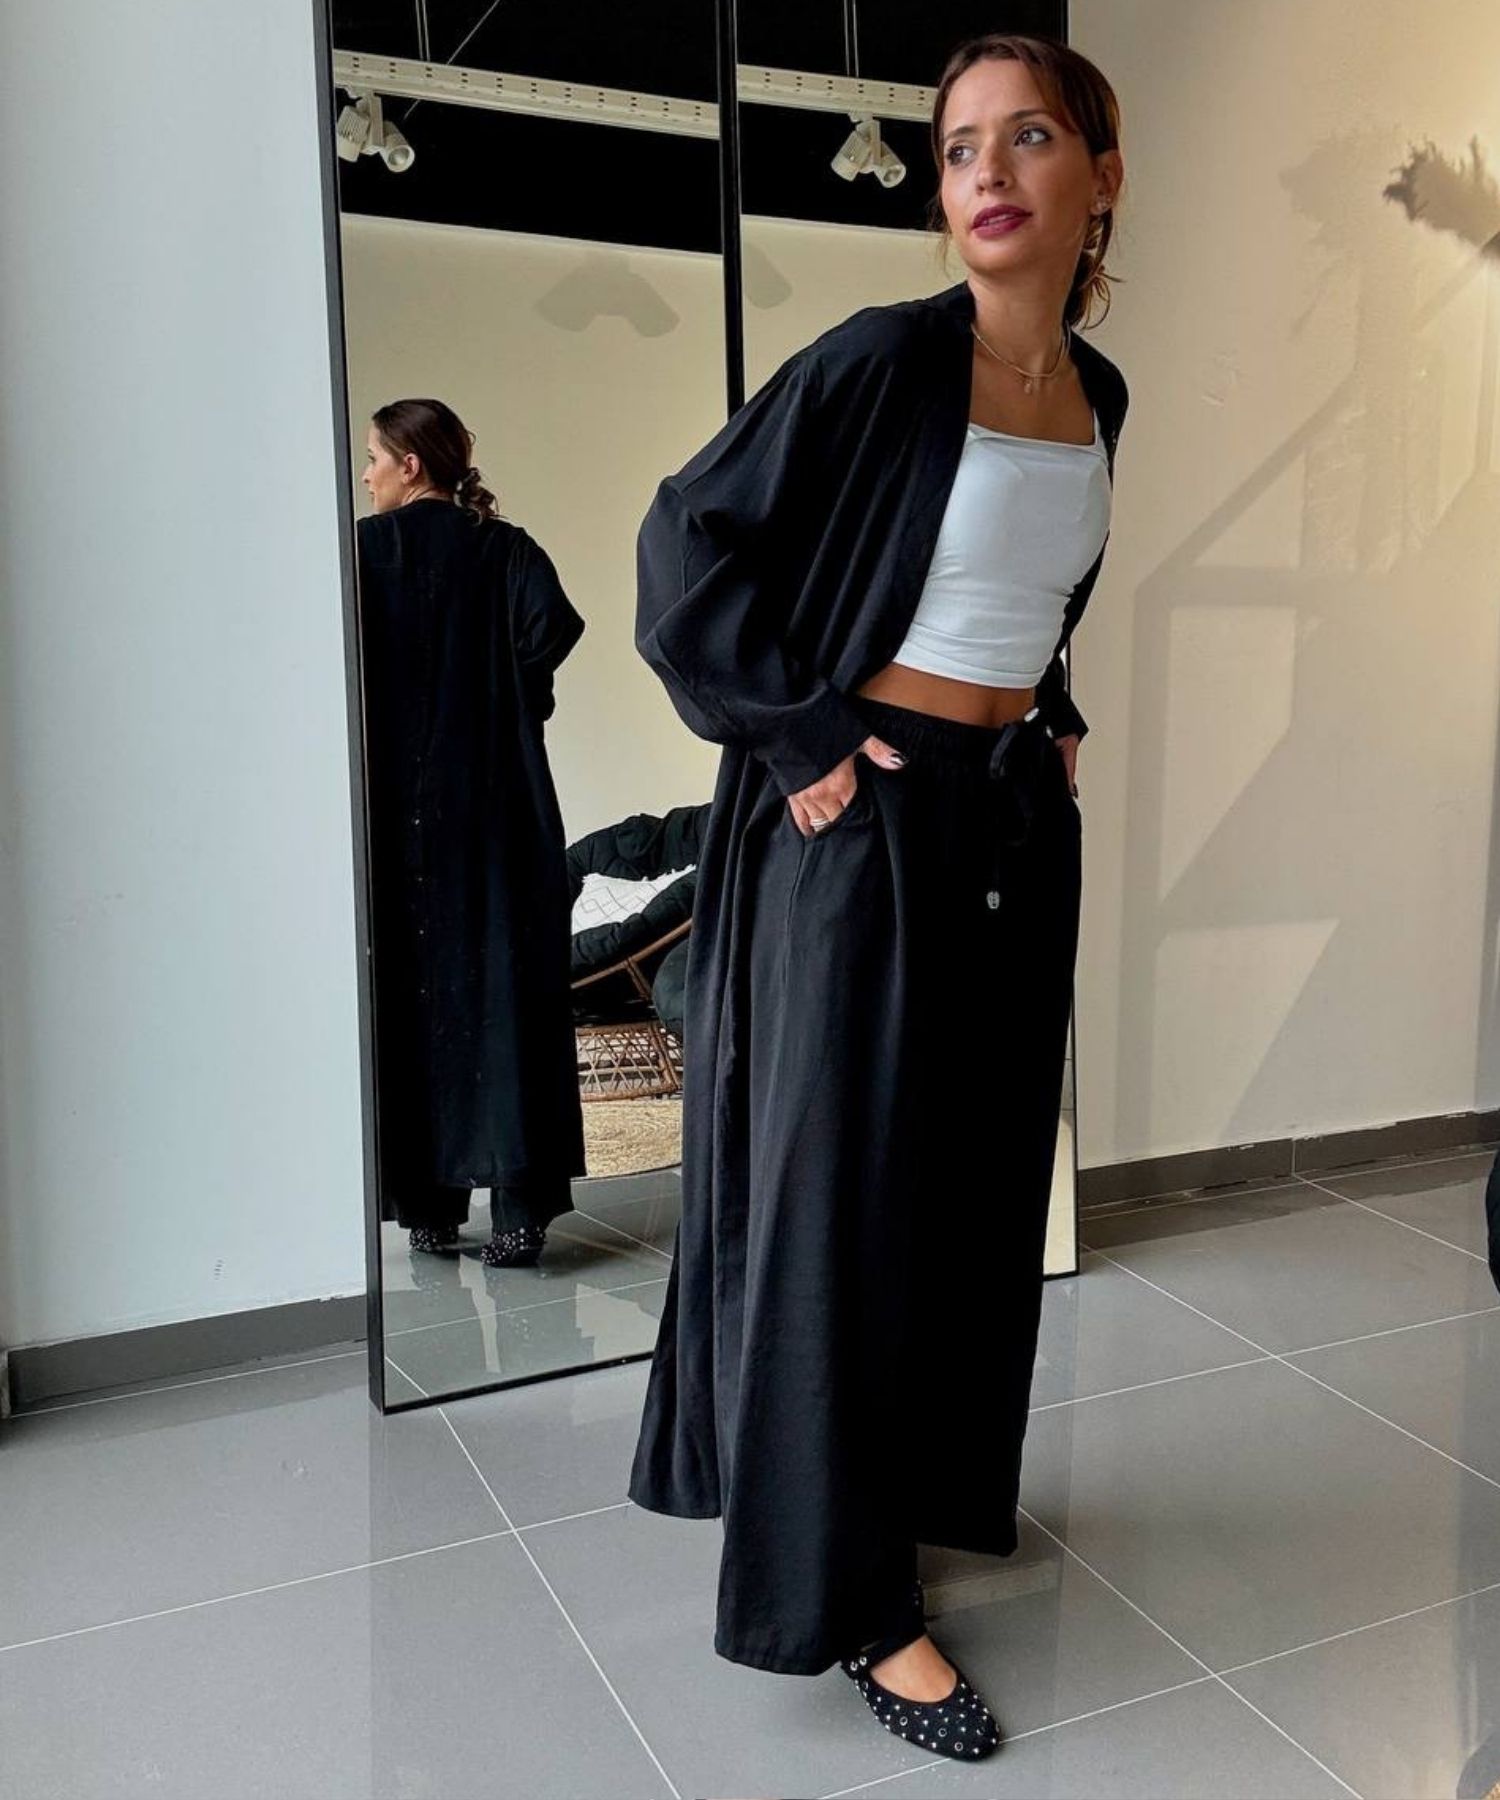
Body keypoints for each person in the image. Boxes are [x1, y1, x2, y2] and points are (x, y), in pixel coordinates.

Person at [626, 33, 1129, 1759]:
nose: (986, 171)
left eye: (1028, 137)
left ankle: (908, 1501)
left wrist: (1050, 708)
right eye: (960, 146)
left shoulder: (1098, 392)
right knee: (841, 1208)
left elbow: (1019, 585)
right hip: (862, 826)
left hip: (1001, 828)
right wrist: (802, 734)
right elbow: (686, 543)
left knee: (968, 1192)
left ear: (1100, 177)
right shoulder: (881, 360)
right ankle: (852, 1603)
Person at [357, 398, 586, 1269]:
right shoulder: (507, 552)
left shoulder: (359, 555)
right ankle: (520, 1215)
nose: (367, 474)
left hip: (396, 817)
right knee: (508, 996)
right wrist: (503, 705)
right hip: (500, 810)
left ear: (411, 464)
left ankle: (427, 1207)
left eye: (374, 457)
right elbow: (549, 637)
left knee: (412, 995)